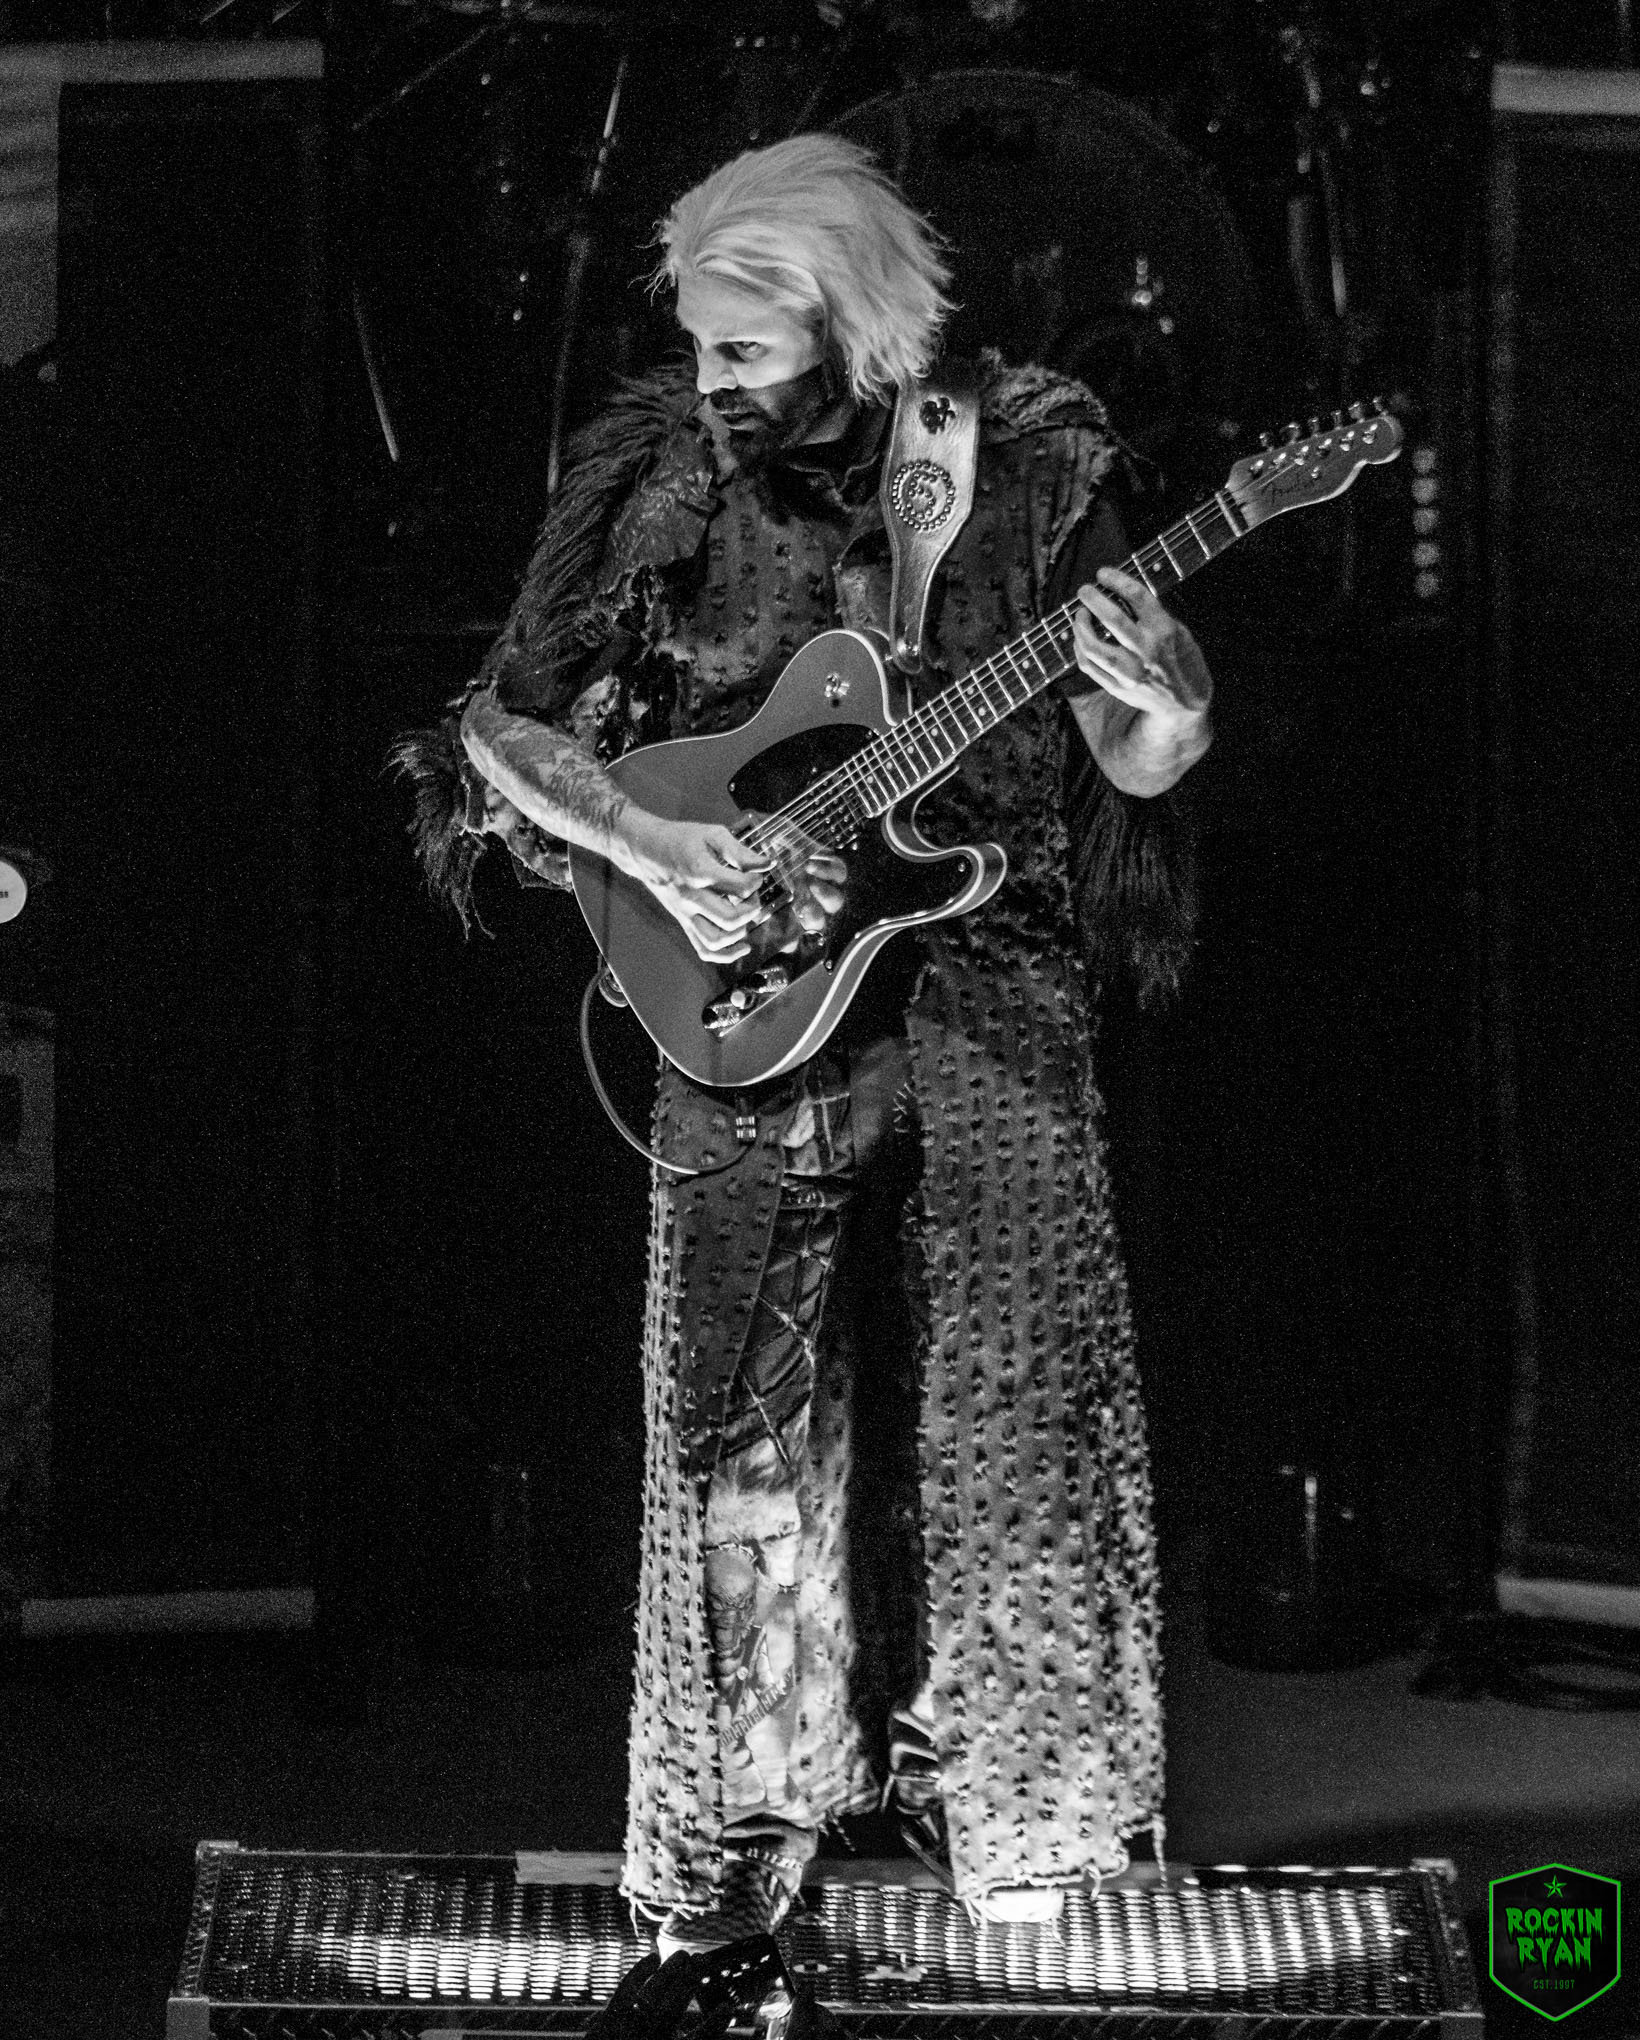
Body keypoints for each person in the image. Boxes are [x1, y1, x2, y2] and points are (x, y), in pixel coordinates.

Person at [395, 133, 1213, 1953]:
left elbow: (1130, 756)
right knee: (740, 1441)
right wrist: (646, 845)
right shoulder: (660, 473)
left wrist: (1174, 713)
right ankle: (736, 1843)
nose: (712, 382)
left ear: (855, 328)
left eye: (746, 351)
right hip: (747, 992)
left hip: (993, 988)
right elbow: (503, 728)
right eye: (699, 346)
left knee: (1015, 1418)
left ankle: (1029, 1834)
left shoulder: (1031, 456)